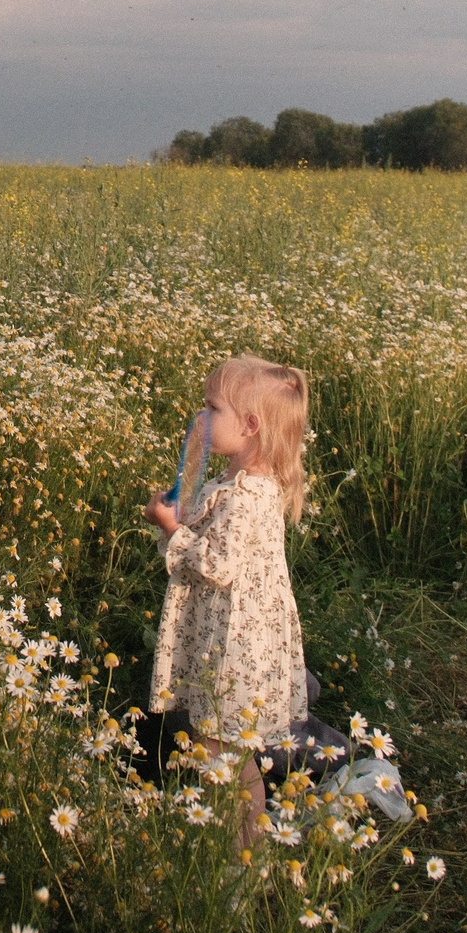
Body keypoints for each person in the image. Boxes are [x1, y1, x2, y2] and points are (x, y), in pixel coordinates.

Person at [142, 355, 314, 845]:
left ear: (251, 426)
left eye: (212, 407)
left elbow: (217, 564)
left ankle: (241, 852)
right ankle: (227, 839)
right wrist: (178, 518)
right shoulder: (233, 484)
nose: (201, 418)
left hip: (236, 648)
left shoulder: (248, 496)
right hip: (225, 636)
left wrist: (173, 528)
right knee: (217, 747)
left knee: (225, 755)